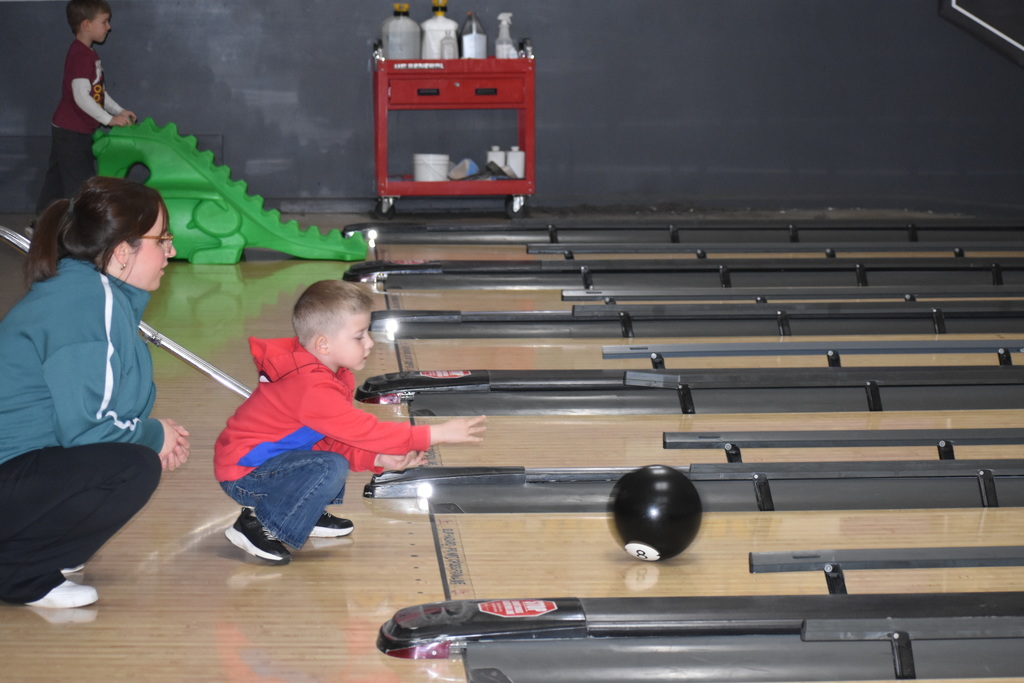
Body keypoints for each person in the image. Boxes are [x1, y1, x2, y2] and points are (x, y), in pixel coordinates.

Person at [0, 176, 190, 610]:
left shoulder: (91, 293)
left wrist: (147, 432)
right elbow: (88, 430)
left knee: (129, 459)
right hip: (10, 475)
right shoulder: (87, 300)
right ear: (123, 251)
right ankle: (19, 573)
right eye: (162, 240)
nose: (171, 251)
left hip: (20, 474)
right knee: (130, 466)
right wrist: (153, 436)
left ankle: (32, 554)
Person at [215, 280, 486, 564]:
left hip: (270, 464)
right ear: (323, 343)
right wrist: (434, 433)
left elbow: (335, 439)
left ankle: (304, 512)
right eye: (359, 336)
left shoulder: (328, 374)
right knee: (330, 465)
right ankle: (261, 524)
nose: (369, 342)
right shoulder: (309, 387)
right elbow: (363, 431)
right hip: (245, 474)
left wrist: (378, 457)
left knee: (331, 456)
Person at [35, 0, 137, 217]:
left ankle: (41, 223)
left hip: (69, 128)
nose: (108, 27)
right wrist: (108, 120)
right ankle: (76, 231)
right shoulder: (81, 55)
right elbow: (80, 96)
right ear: (86, 25)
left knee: (57, 179)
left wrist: (118, 111)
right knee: (78, 183)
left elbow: (97, 93)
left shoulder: (87, 54)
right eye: (104, 21)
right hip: (72, 131)